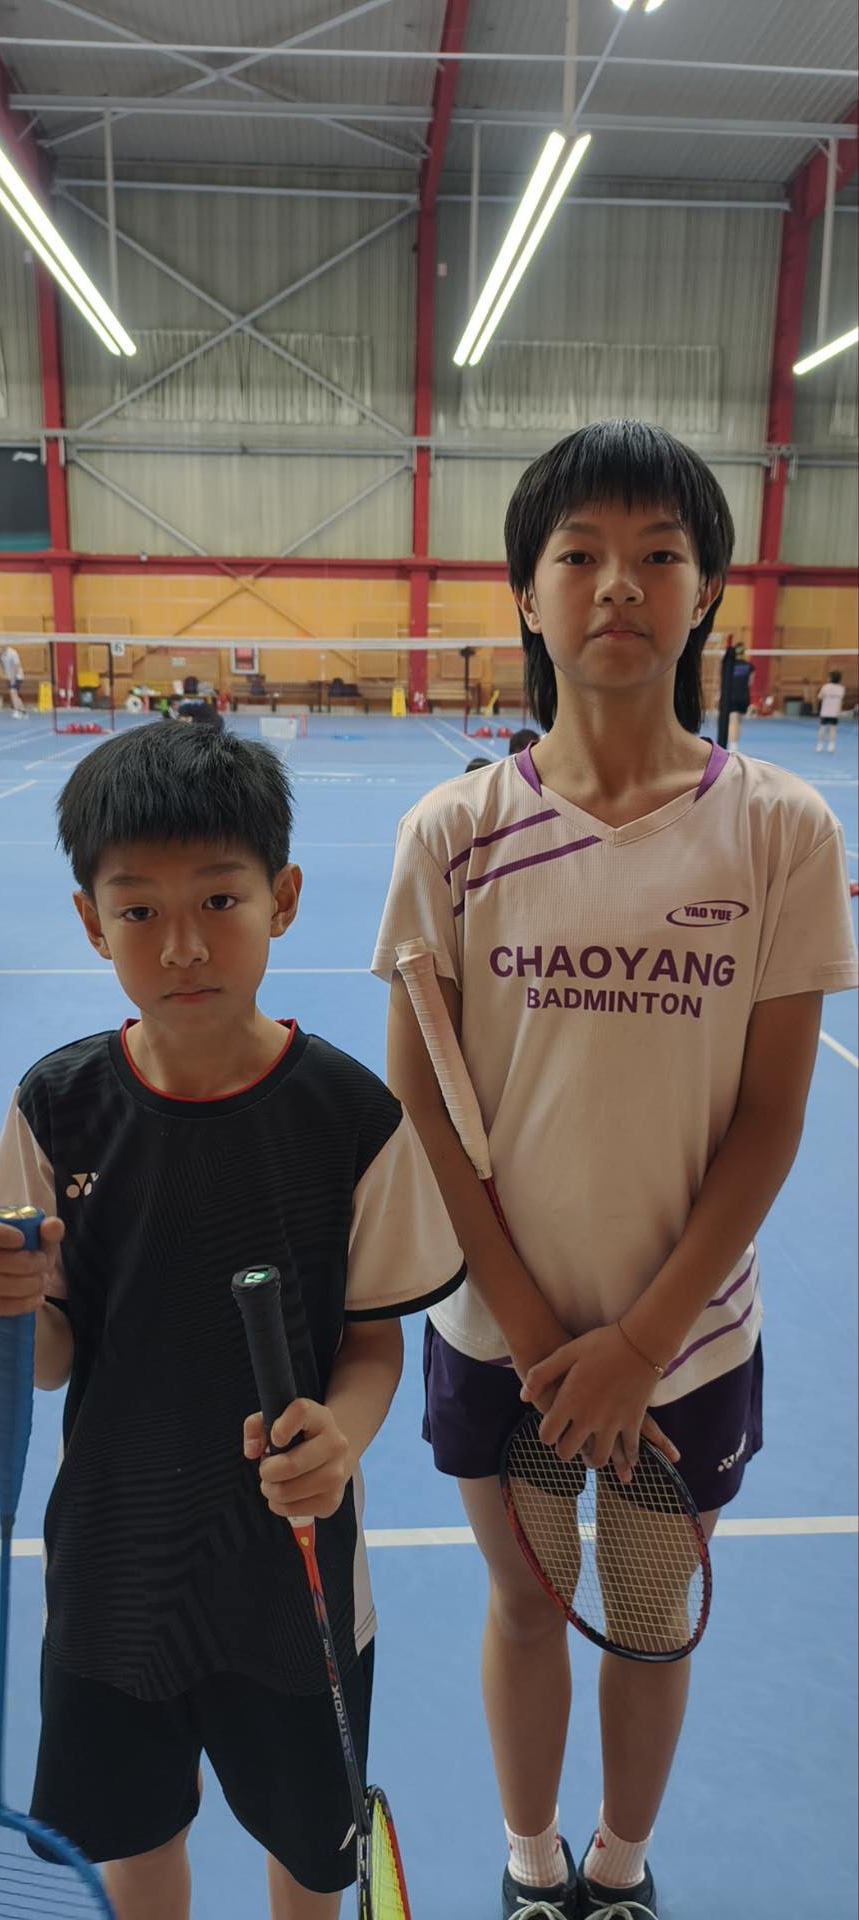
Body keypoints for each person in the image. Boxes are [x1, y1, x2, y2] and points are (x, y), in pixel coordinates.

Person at [372, 420, 858, 1920]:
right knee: (526, 1607)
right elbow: (423, 1102)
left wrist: (640, 1345)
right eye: (578, 554)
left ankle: (621, 1871)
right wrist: (536, 1333)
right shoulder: (453, 834)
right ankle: (531, 1871)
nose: (618, 585)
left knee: (648, 1625)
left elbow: (769, 1118)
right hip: (497, 1339)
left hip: (688, 1343)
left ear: (705, 592)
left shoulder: (780, 830)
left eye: (658, 554)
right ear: (526, 593)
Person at [0, 722, 464, 1920]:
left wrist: (341, 1436)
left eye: (219, 899)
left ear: (281, 899)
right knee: (138, 1840)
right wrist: (8, 1308)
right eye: (138, 911)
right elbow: (49, 1360)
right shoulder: (55, 1107)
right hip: (113, 1567)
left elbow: (370, 1341)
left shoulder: (350, 1116)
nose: (182, 944)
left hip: (291, 1575)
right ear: (91, 922)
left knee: (307, 1856)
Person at [726, 641, 754, 747]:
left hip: (731, 695)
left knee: (733, 719)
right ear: (744, 652)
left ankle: (733, 746)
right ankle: (735, 743)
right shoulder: (750, 666)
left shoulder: (729, 665)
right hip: (744, 696)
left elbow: (724, 682)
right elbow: (750, 683)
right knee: (738, 720)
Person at [816, 668, 846, 752]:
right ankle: (831, 746)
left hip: (825, 712)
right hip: (835, 712)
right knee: (833, 728)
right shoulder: (841, 688)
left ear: (830, 678)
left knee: (822, 728)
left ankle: (820, 745)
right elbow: (841, 700)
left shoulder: (825, 687)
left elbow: (819, 697)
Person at [0, 641, 26, 716]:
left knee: (13, 692)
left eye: (2, 644)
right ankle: (23, 710)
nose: (1, 646)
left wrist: (14, 677)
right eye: (0, 644)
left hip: (17, 676)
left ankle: (17, 711)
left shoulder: (13, 652)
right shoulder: (2, 655)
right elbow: (3, 666)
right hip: (10, 677)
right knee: (15, 694)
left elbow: (17, 665)